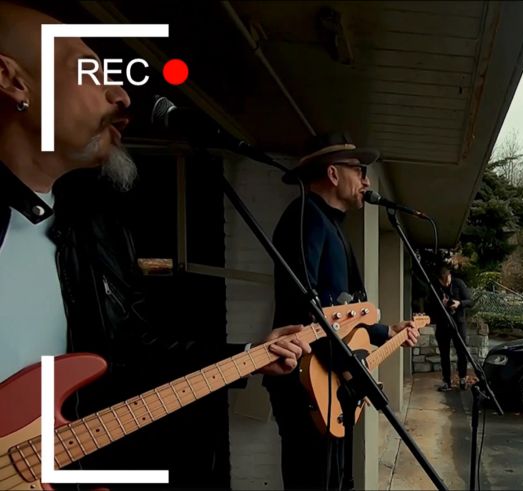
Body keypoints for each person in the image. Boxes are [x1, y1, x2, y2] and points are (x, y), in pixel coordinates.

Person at [0, 0, 312, 482]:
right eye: (89, 71)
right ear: (13, 81)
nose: (122, 96)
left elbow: (133, 354)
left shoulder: (92, 230)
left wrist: (248, 354)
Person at [267, 131, 420, 490]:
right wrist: (351, 368)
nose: (367, 180)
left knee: (333, 479)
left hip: (328, 377)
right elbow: (305, 310)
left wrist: (386, 332)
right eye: (360, 169)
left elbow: (342, 314)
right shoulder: (305, 217)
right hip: (308, 379)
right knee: (313, 480)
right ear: (333, 174)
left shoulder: (330, 224)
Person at [429, 267, 473, 391]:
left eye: (448, 280)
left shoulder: (458, 283)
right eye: (444, 282)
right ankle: (446, 381)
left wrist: (459, 304)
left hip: (458, 323)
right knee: (444, 354)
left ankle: (463, 378)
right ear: (439, 279)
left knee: (461, 352)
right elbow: (430, 305)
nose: (446, 283)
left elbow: (470, 301)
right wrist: (440, 305)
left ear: (450, 275)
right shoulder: (435, 287)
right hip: (442, 324)